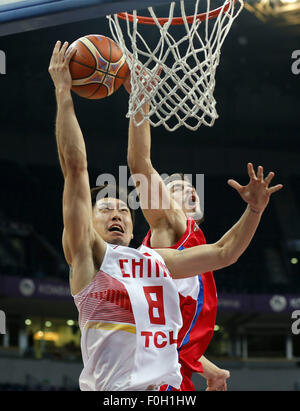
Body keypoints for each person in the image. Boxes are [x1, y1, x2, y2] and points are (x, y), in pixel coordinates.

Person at [48, 40, 283, 391]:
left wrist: (254, 209)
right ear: (89, 224)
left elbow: (224, 253)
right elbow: (77, 168)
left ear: (132, 228)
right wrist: (64, 92)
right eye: (106, 209)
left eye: (124, 210)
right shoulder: (88, 256)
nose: (117, 213)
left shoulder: (155, 261)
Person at [126, 102, 282, 391]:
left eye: (191, 187)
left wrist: (210, 371)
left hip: (169, 370)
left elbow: (226, 252)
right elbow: (140, 165)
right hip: (153, 377)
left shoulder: (193, 245)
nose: (190, 189)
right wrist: (140, 104)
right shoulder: (169, 225)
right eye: (177, 188)